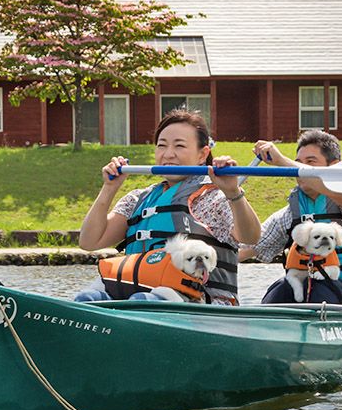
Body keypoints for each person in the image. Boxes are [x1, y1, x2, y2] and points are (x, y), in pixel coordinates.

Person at [76, 110, 261, 305]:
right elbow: (89, 241)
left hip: (198, 304)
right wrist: (109, 188)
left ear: (202, 154)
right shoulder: (138, 199)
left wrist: (233, 193)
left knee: (143, 302)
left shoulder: (215, 196)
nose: (168, 154)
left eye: (179, 146)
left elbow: (251, 237)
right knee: (87, 299)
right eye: (161, 145)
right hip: (137, 298)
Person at [238, 131, 342, 304]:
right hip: (311, 288)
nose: (300, 171)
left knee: (319, 287)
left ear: (334, 167)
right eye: (298, 164)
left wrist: (282, 162)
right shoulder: (289, 215)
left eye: (310, 163)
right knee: (280, 289)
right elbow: (245, 248)